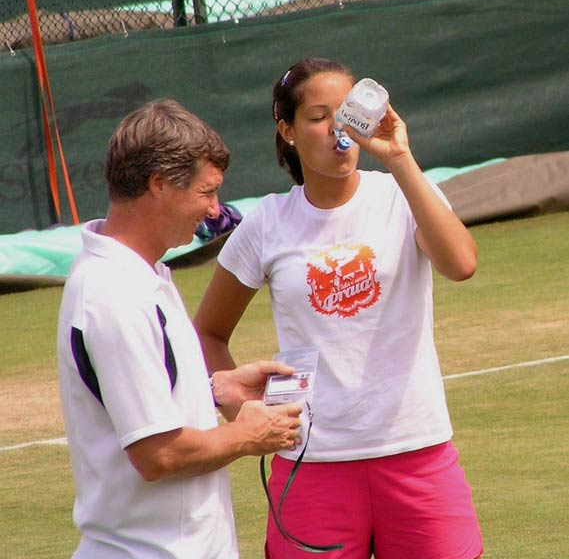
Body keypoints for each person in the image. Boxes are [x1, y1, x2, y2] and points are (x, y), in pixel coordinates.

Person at [193, 58, 484, 558]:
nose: (338, 129)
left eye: (346, 112)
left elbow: (460, 264)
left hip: (417, 453)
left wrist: (400, 157)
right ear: (286, 130)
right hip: (312, 465)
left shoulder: (400, 194)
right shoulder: (268, 222)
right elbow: (207, 333)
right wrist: (245, 410)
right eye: (317, 116)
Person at [57, 98, 303, 558]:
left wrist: (216, 389)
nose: (214, 210)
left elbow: (140, 398)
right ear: (159, 185)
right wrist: (251, 433)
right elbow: (158, 454)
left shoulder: (140, 275)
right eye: (205, 192)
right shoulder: (114, 293)